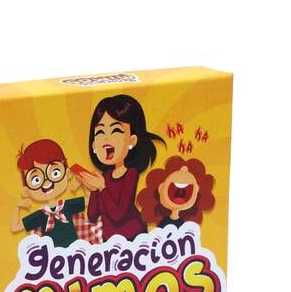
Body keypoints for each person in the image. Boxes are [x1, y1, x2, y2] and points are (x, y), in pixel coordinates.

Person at [76, 95, 164, 241]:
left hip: (134, 237)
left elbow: (118, 214)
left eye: (115, 130)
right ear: (94, 145)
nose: (106, 139)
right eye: (100, 132)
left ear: (132, 140)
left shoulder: (131, 174)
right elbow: (92, 216)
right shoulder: (104, 176)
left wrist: (102, 187)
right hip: (110, 241)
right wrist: (94, 190)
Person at [137, 155, 215, 229]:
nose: (180, 193)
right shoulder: (164, 222)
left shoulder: (184, 225)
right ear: (161, 188)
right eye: (173, 189)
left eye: (187, 191)